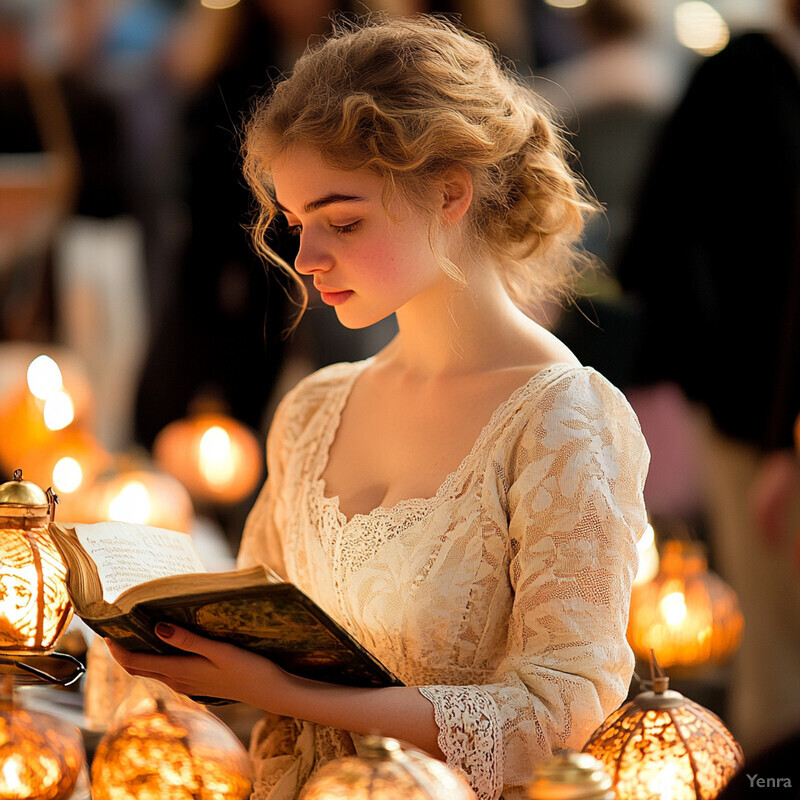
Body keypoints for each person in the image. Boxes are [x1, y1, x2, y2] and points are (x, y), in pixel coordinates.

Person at [107, 15, 650, 800]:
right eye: (296, 224)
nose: (305, 258)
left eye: (344, 220)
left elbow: (556, 719)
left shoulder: (563, 421)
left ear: (450, 190)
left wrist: (285, 694)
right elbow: (262, 641)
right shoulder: (314, 410)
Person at [616, 0, 800, 756]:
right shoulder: (748, 76)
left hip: (758, 402)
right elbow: (659, 236)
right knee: (774, 649)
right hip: (756, 405)